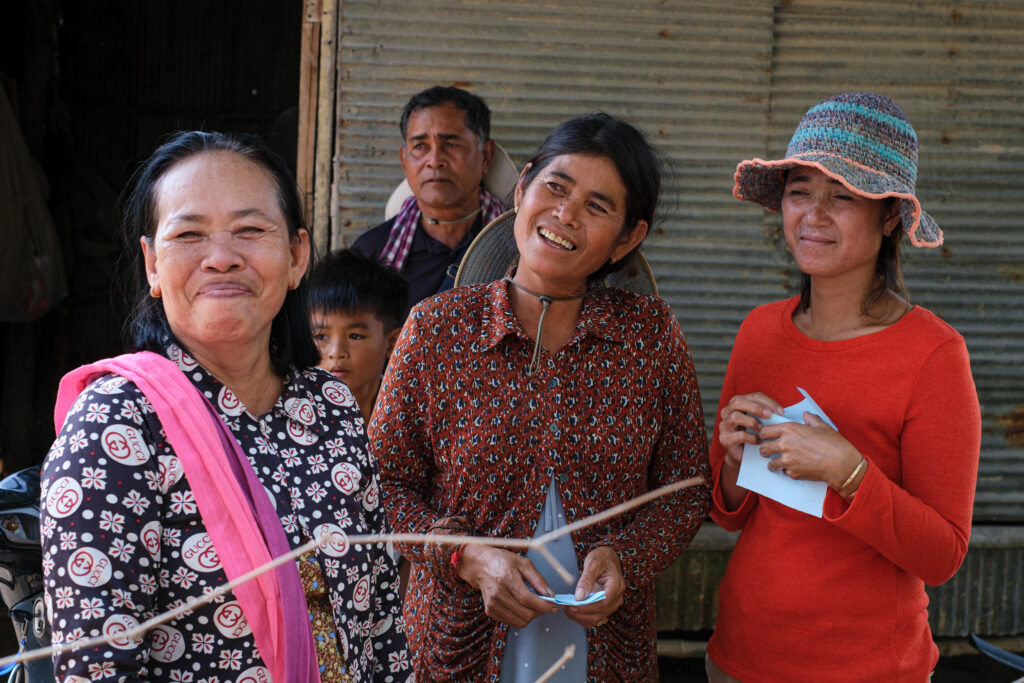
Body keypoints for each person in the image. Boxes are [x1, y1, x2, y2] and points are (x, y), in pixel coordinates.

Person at [40, 131, 410, 681]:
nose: (221, 259)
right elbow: (99, 666)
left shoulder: (330, 406)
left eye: (250, 231)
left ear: (296, 256)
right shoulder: (117, 423)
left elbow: (380, 622)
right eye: (189, 234)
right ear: (152, 266)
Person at [369, 113, 712, 681]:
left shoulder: (650, 337)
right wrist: (465, 556)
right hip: (457, 644)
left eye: (598, 206)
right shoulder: (436, 329)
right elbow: (381, 485)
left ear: (628, 238)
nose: (566, 214)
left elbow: (685, 491)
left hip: (605, 649)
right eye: (555, 187)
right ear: (522, 187)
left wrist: (624, 559)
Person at [706, 93, 981, 682]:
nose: (813, 215)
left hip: (871, 667)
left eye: (843, 196)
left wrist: (850, 472)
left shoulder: (933, 354)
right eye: (800, 191)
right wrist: (732, 457)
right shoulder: (759, 331)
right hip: (742, 654)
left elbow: (942, 555)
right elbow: (730, 513)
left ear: (889, 218)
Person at [351, 85, 508, 305]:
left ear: (486, 156)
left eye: (451, 144)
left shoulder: (519, 248)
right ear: (404, 160)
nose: (434, 160)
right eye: (420, 146)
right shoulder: (370, 254)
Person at [307, 248, 410, 423]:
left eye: (355, 336)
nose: (336, 352)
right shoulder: (295, 420)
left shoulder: (407, 416)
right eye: (321, 336)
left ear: (392, 343)